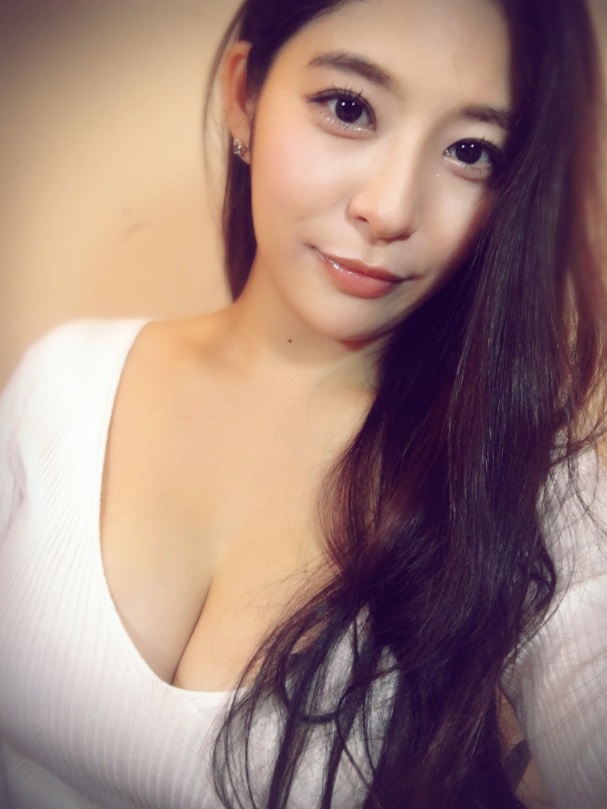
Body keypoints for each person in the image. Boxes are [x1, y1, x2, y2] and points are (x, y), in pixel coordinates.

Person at [1, 0, 606, 806]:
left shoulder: (525, 474)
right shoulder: (62, 381)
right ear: (244, 96)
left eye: (470, 151)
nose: (389, 209)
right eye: (348, 108)